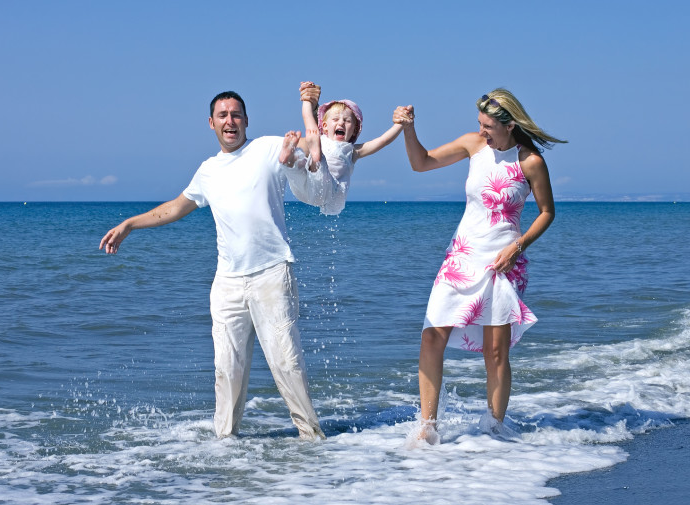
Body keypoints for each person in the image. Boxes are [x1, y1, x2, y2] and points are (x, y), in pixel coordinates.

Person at [99, 90, 328, 440]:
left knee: (287, 365)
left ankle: (312, 441)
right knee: (226, 370)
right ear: (211, 123)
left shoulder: (268, 148)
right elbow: (176, 207)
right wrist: (130, 224)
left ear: (246, 120)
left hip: (271, 274)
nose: (230, 121)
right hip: (227, 284)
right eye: (222, 115)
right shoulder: (208, 171)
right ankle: (225, 447)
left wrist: (310, 111)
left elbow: (310, 171)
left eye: (236, 114)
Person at [393, 89, 566, 443]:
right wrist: (409, 130)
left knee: (496, 350)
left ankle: (493, 431)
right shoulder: (473, 145)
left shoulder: (529, 161)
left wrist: (519, 246)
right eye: (480, 125)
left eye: (488, 126)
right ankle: (427, 429)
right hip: (461, 257)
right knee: (431, 336)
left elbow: (547, 212)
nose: (483, 131)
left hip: (503, 263)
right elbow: (421, 162)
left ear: (510, 125)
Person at [280, 82, 403, 215]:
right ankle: (290, 159)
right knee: (298, 170)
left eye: (347, 121)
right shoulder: (322, 139)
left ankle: (302, 160)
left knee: (313, 159)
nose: (341, 123)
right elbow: (307, 115)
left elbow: (383, 141)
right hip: (306, 188)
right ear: (325, 126)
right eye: (336, 119)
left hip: (325, 191)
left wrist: (400, 124)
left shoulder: (352, 151)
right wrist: (306, 100)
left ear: (355, 130)